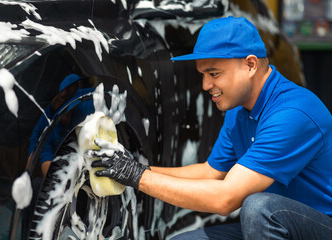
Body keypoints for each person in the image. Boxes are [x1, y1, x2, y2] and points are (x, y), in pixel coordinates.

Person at [87, 16, 332, 239]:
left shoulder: (292, 114)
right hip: (275, 225)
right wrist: (137, 167)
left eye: (214, 73)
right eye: (202, 74)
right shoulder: (238, 109)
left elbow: (225, 198)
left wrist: (137, 176)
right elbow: (210, 172)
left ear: (250, 65)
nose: (205, 85)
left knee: (259, 207)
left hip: (319, 226)